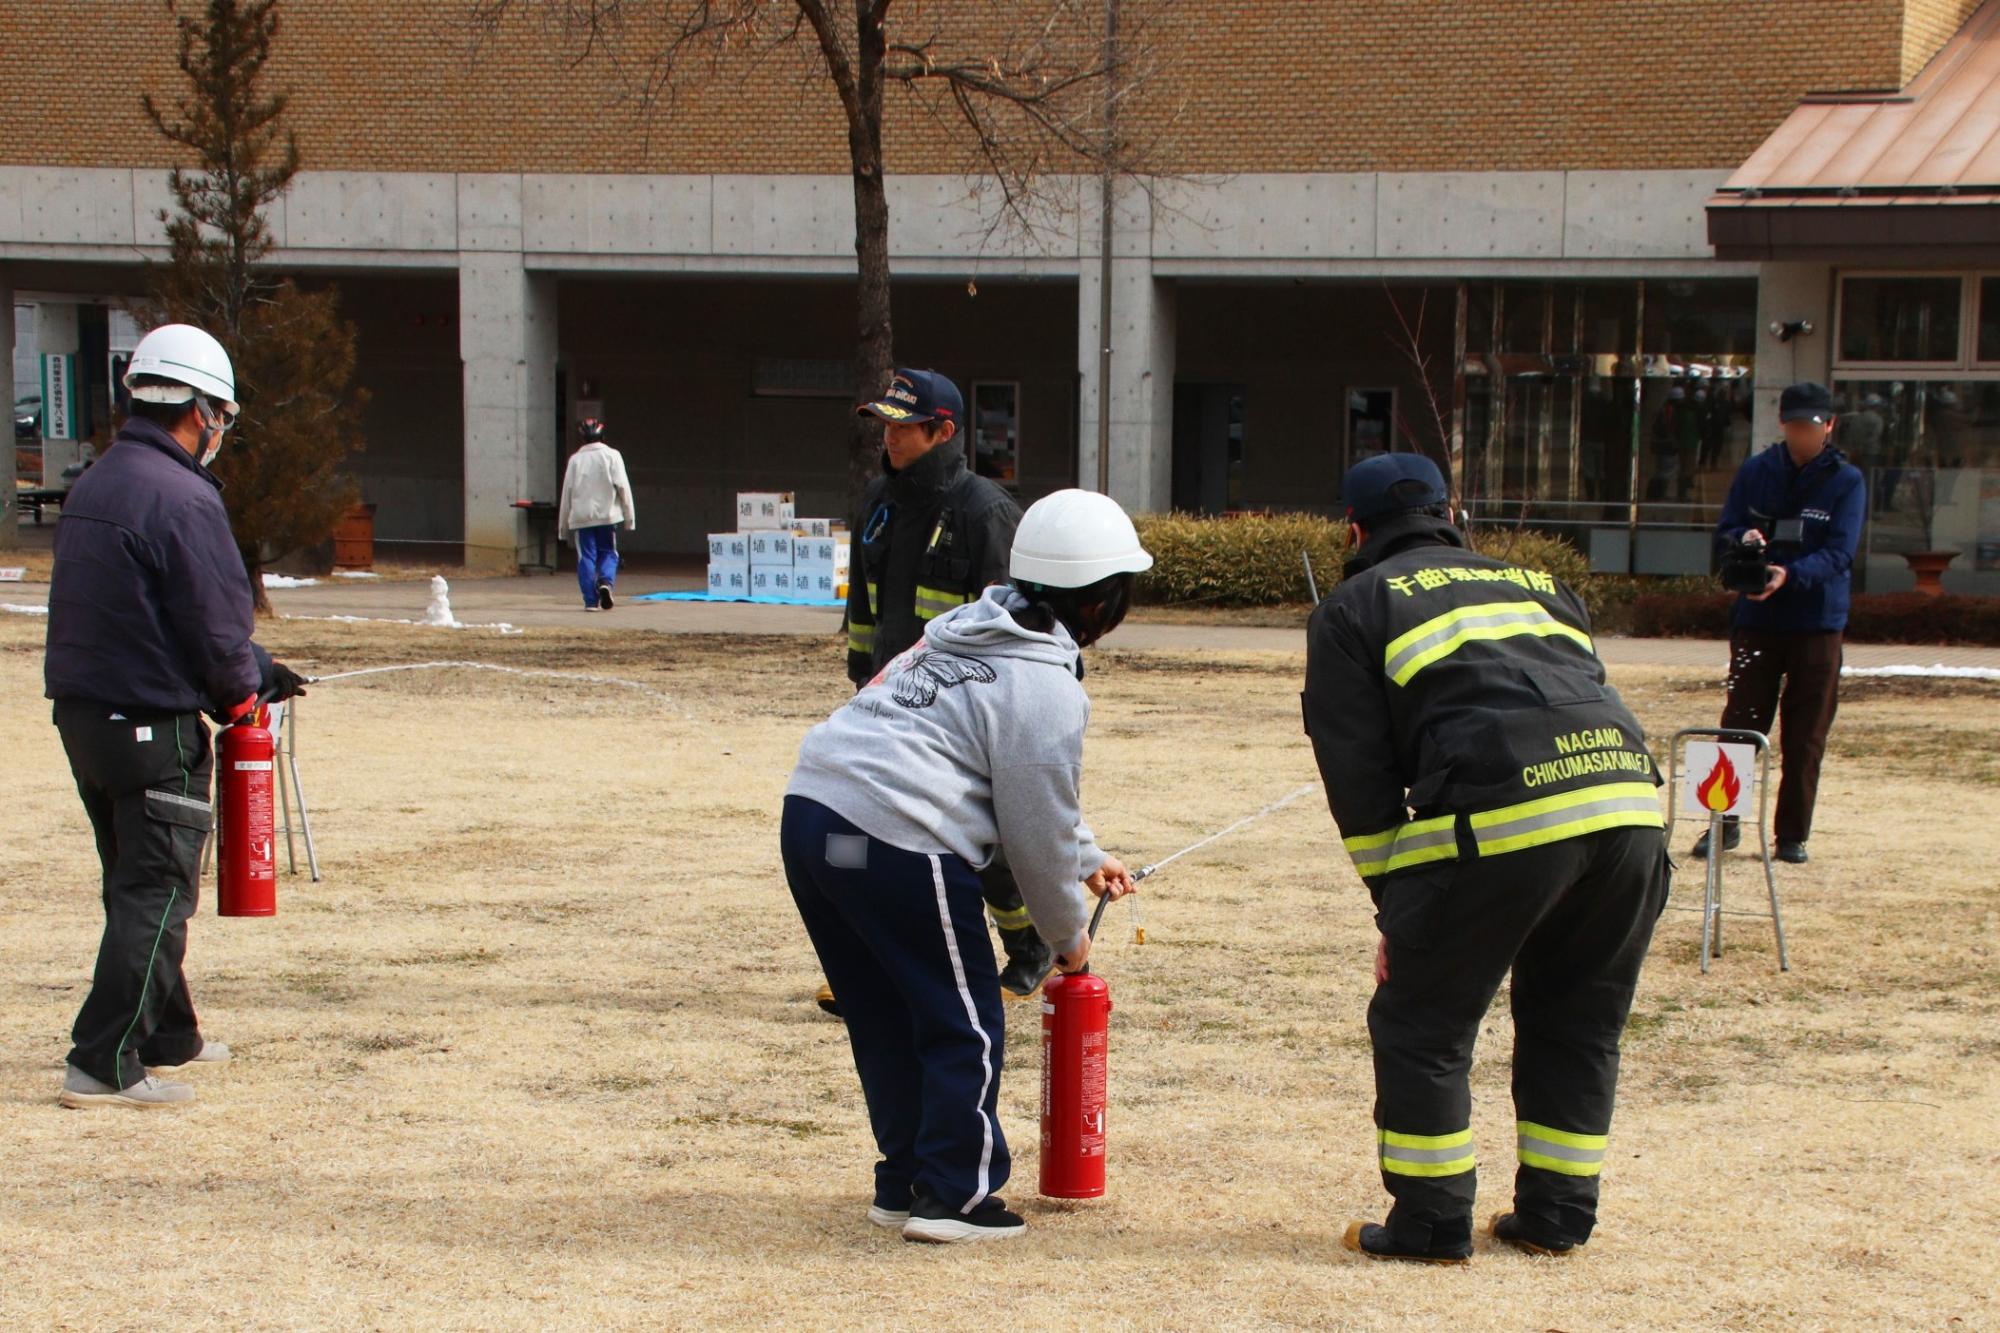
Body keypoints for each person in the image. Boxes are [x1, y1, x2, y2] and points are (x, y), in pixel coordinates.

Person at [1303, 452, 1669, 1264]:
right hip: (1630, 811)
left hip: (1502, 812)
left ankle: (1430, 1223)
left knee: (1421, 1018)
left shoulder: (1354, 605)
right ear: (1450, 512)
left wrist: (1397, 912)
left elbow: (1362, 788)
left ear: (1354, 530)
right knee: (1577, 1018)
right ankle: (1557, 1214)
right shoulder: (1542, 585)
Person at [780, 489, 1148, 1243]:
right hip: (896, 839)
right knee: (965, 1019)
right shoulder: (1046, 684)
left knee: (886, 1014)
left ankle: (904, 1180)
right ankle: (957, 1194)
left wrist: (1087, 857)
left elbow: (1014, 791)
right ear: (1105, 600)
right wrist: (1068, 936)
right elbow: (1034, 827)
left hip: (816, 823)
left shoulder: (962, 634)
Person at [43, 322, 308, 1110]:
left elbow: (145, 612)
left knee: (133, 880)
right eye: (221, 414)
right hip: (152, 726)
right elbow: (212, 624)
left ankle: (168, 1031)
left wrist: (260, 672)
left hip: (86, 718)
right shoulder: (184, 497)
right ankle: (102, 1061)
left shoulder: (98, 482)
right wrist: (244, 693)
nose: (220, 429)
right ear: (200, 410)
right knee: (156, 890)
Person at [816, 367, 1048, 1009]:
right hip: (886, 702)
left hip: (964, 708)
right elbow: (863, 611)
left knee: (978, 837)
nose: (889, 438)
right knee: (875, 837)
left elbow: (1009, 622)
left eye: (903, 427)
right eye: (884, 425)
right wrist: (862, 687)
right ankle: (873, 969)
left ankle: (1030, 944)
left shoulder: (985, 511)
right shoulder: (876, 504)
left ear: (942, 431)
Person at [1695, 381, 1865, 865]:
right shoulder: (1757, 470)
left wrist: (1790, 574)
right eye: (1794, 426)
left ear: (1829, 426)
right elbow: (1725, 529)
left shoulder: (1846, 480)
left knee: (1806, 733)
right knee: (1739, 725)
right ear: (1782, 424)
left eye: (1811, 426)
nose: (1802, 435)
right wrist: (1742, 540)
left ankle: (1792, 834)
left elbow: (1840, 553)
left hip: (1818, 622)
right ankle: (1721, 823)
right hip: (1757, 618)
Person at [557, 417, 635, 611]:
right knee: (609, 552)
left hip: (582, 518)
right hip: (608, 516)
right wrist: (629, 518)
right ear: (602, 435)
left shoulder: (575, 460)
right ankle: (606, 583)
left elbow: (566, 493)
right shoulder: (613, 455)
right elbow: (623, 487)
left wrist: (562, 528)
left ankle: (591, 601)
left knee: (587, 557)